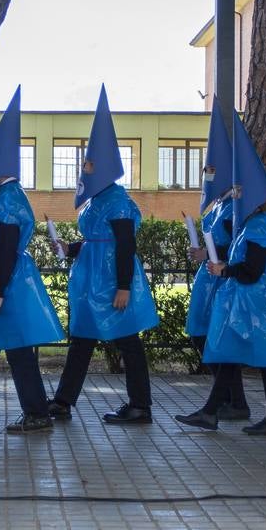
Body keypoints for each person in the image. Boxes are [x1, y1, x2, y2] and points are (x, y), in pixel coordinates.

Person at [48, 86, 159, 425]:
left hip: (110, 283)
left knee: (127, 342)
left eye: (90, 161)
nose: (85, 166)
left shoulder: (117, 201)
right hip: (94, 281)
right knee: (83, 339)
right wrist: (71, 248)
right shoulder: (99, 200)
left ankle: (139, 405)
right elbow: (99, 240)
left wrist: (123, 286)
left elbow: (125, 244)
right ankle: (64, 402)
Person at [178, 113, 266, 435]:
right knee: (230, 352)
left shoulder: (258, 225)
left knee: (263, 358)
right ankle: (214, 412)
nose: (236, 194)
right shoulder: (251, 224)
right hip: (246, 299)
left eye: (242, 190)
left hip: (255, 300)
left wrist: (224, 268)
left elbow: (253, 268)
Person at [0, 89, 64, 434]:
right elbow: (3, 242)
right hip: (9, 279)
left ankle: (27, 413)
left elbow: (6, 247)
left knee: (9, 349)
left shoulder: (5, 201)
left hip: (6, 282)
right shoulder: (11, 196)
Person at [183, 106, 241, 420]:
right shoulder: (219, 207)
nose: (207, 176)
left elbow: (236, 246)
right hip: (210, 281)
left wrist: (211, 254)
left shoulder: (234, 209)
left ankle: (230, 401)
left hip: (223, 282)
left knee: (216, 339)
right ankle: (234, 399)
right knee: (204, 336)